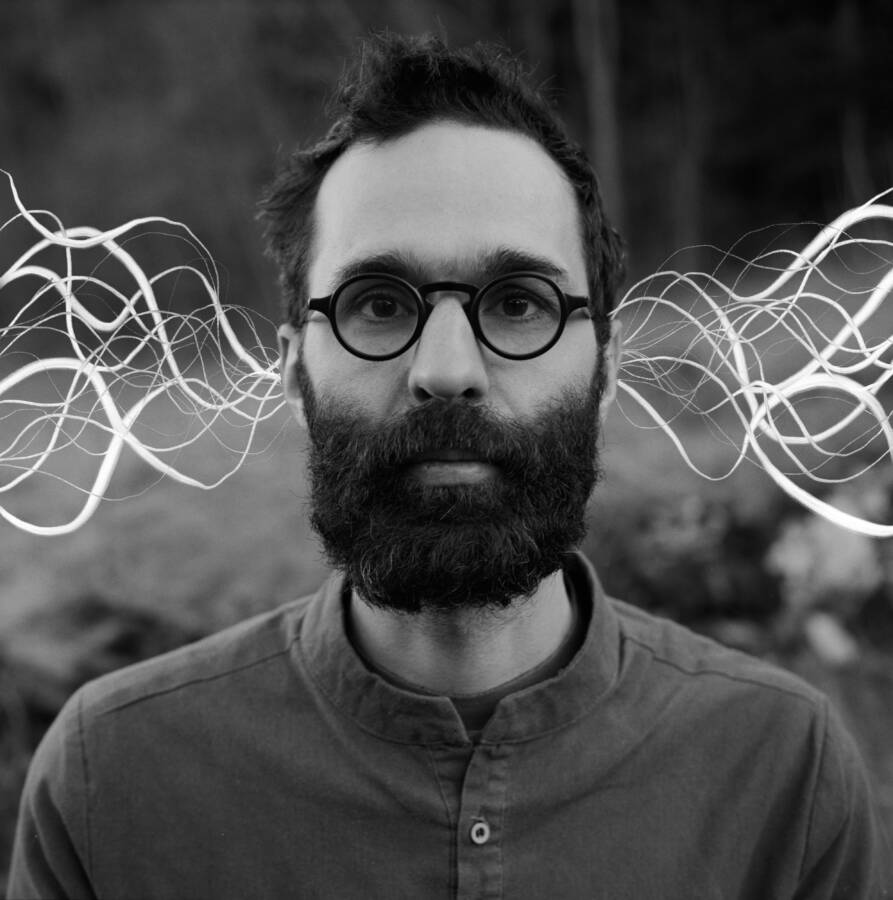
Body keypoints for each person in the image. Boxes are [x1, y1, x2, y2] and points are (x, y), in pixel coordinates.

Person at [8, 32, 890, 900]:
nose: (446, 370)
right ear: (294, 370)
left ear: (606, 368)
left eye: (517, 304)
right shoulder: (111, 783)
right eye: (378, 304)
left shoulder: (783, 772)